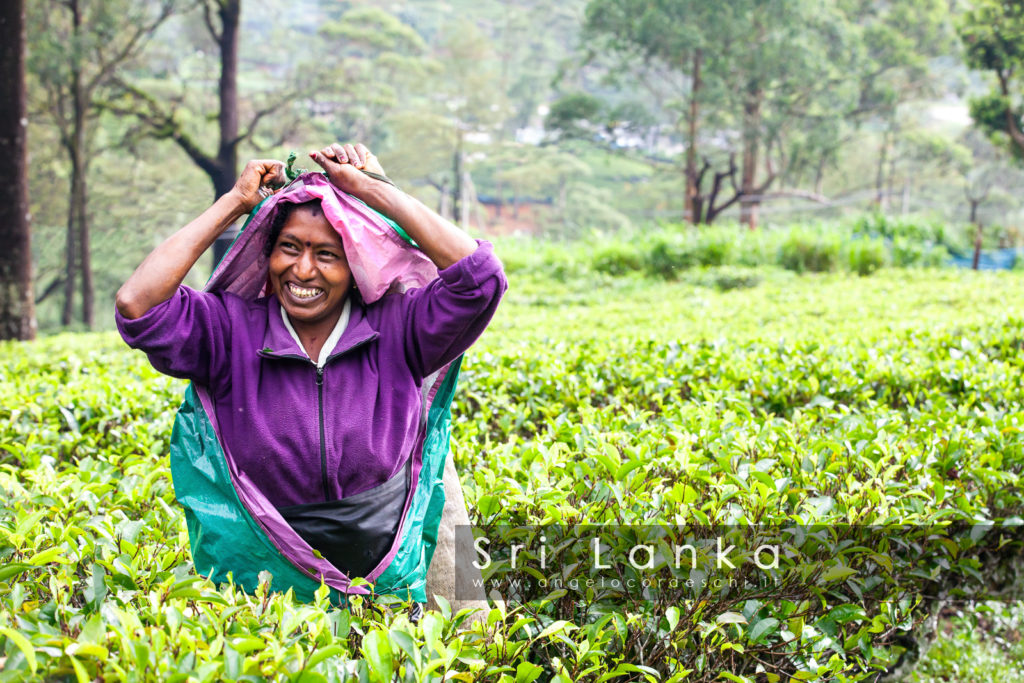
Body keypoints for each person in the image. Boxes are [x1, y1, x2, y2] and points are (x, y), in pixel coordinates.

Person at [116, 143, 506, 585]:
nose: (302, 270)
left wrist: (374, 191)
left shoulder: (398, 330)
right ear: (268, 255)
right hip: (266, 590)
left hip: (384, 586)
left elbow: (481, 278)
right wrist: (234, 204)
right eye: (289, 248)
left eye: (326, 255)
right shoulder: (227, 331)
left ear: (354, 265)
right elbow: (138, 304)